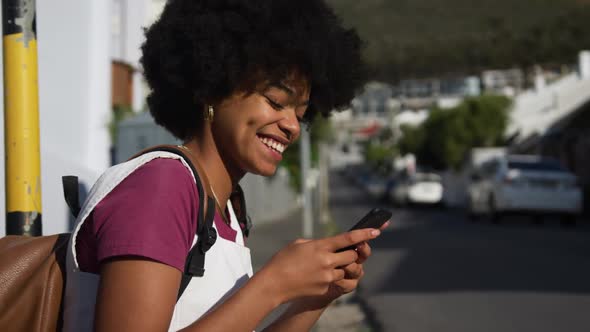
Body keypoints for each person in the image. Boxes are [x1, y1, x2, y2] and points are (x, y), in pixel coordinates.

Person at [62, 0, 389, 331]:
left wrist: (315, 299)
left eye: (300, 114)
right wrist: (274, 284)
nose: (292, 125)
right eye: (276, 102)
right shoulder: (161, 186)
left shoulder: (225, 211)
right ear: (213, 86)